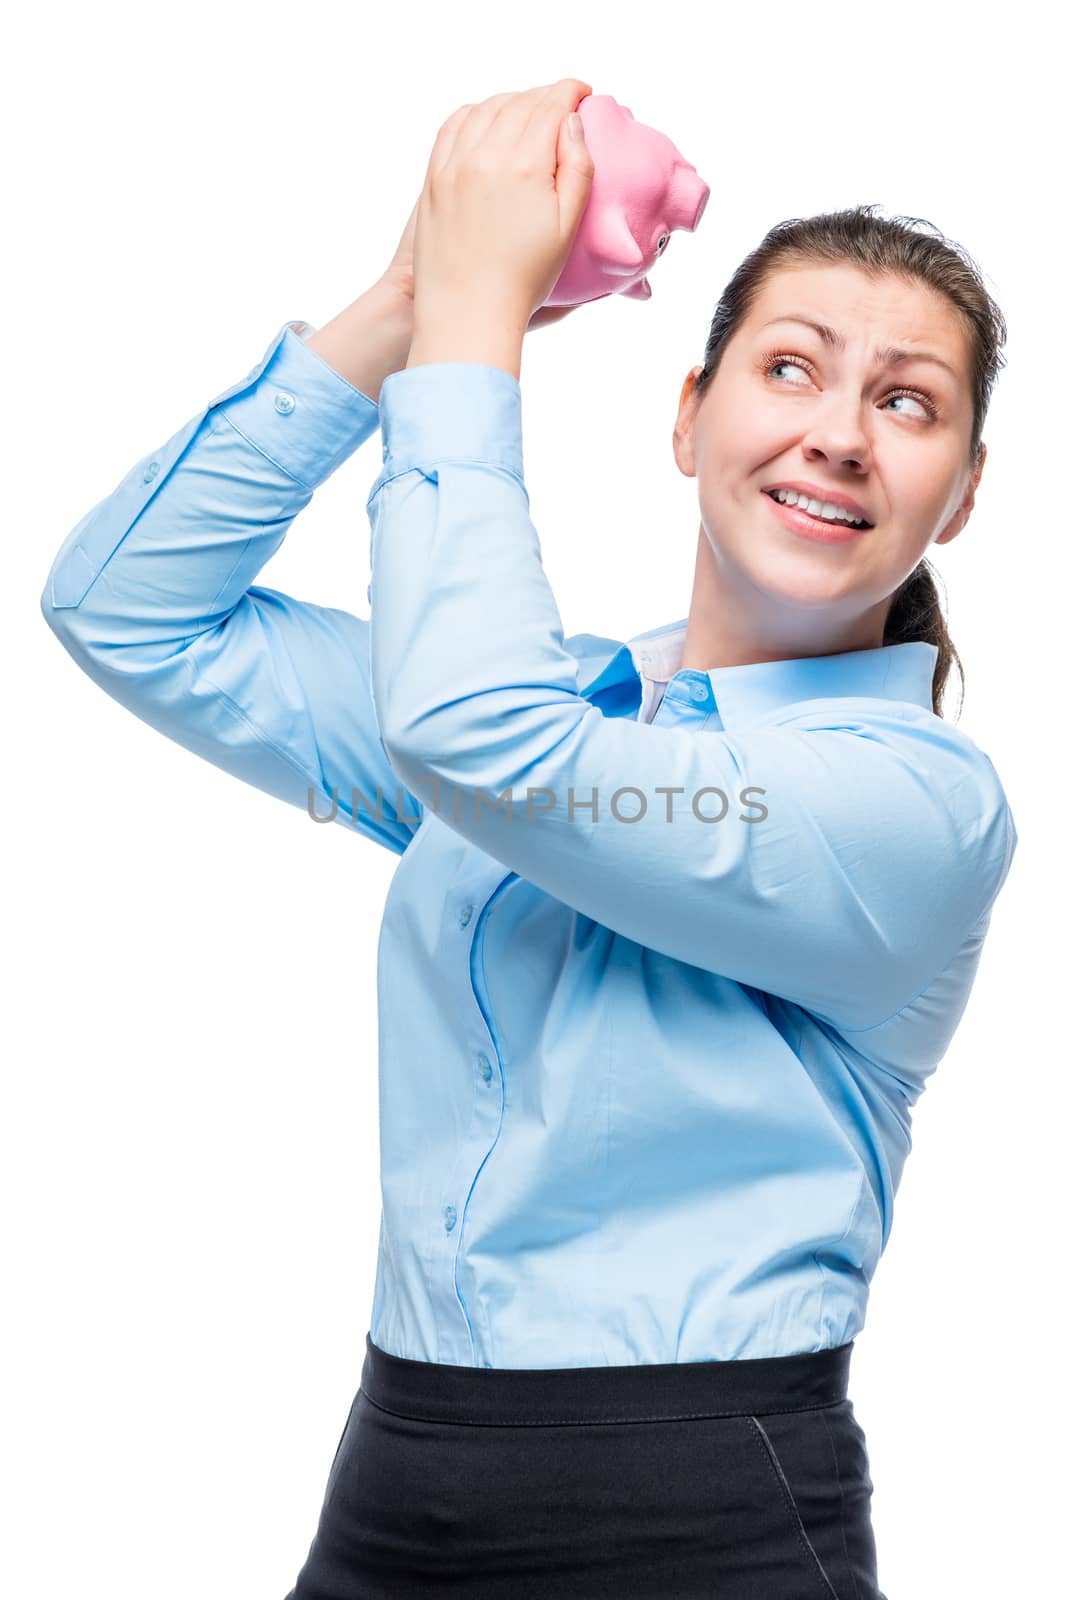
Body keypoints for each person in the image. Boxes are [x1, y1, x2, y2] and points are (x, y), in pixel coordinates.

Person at [40, 79, 1016, 1600]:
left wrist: (474, 339)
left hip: (703, 1522)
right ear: (688, 419)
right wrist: (410, 299)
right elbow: (124, 605)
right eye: (790, 370)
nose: (838, 435)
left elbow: (487, 745)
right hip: (398, 1479)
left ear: (957, 498)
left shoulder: (916, 808)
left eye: (907, 403)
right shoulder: (543, 710)